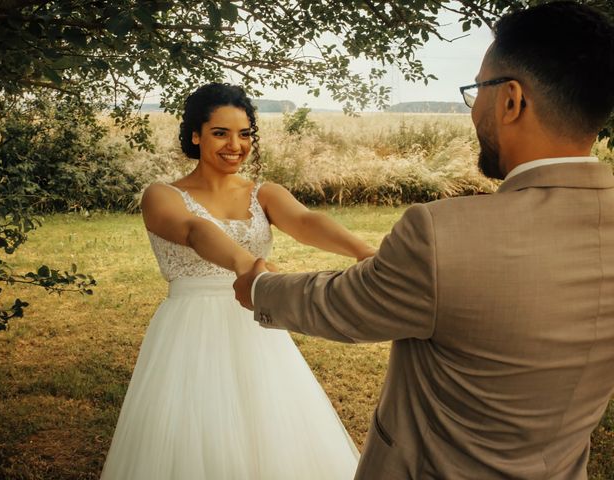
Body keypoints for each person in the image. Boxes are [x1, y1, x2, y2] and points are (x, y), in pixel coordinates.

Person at [234, 2, 614, 479]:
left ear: (511, 100)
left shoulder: (443, 233)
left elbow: (344, 305)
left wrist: (258, 288)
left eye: (477, 89)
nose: (474, 108)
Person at [100, 83, 377, 479]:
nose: (236, 145)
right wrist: (247, 266)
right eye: (220, 133)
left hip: (256, 326)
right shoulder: (162, 195)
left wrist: (364, 252)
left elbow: (305, 222)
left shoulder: (262, 192)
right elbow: (194, 230)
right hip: (189, 330)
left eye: (245, 133)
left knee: (271, 429)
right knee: (194, 436)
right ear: (195, 135)